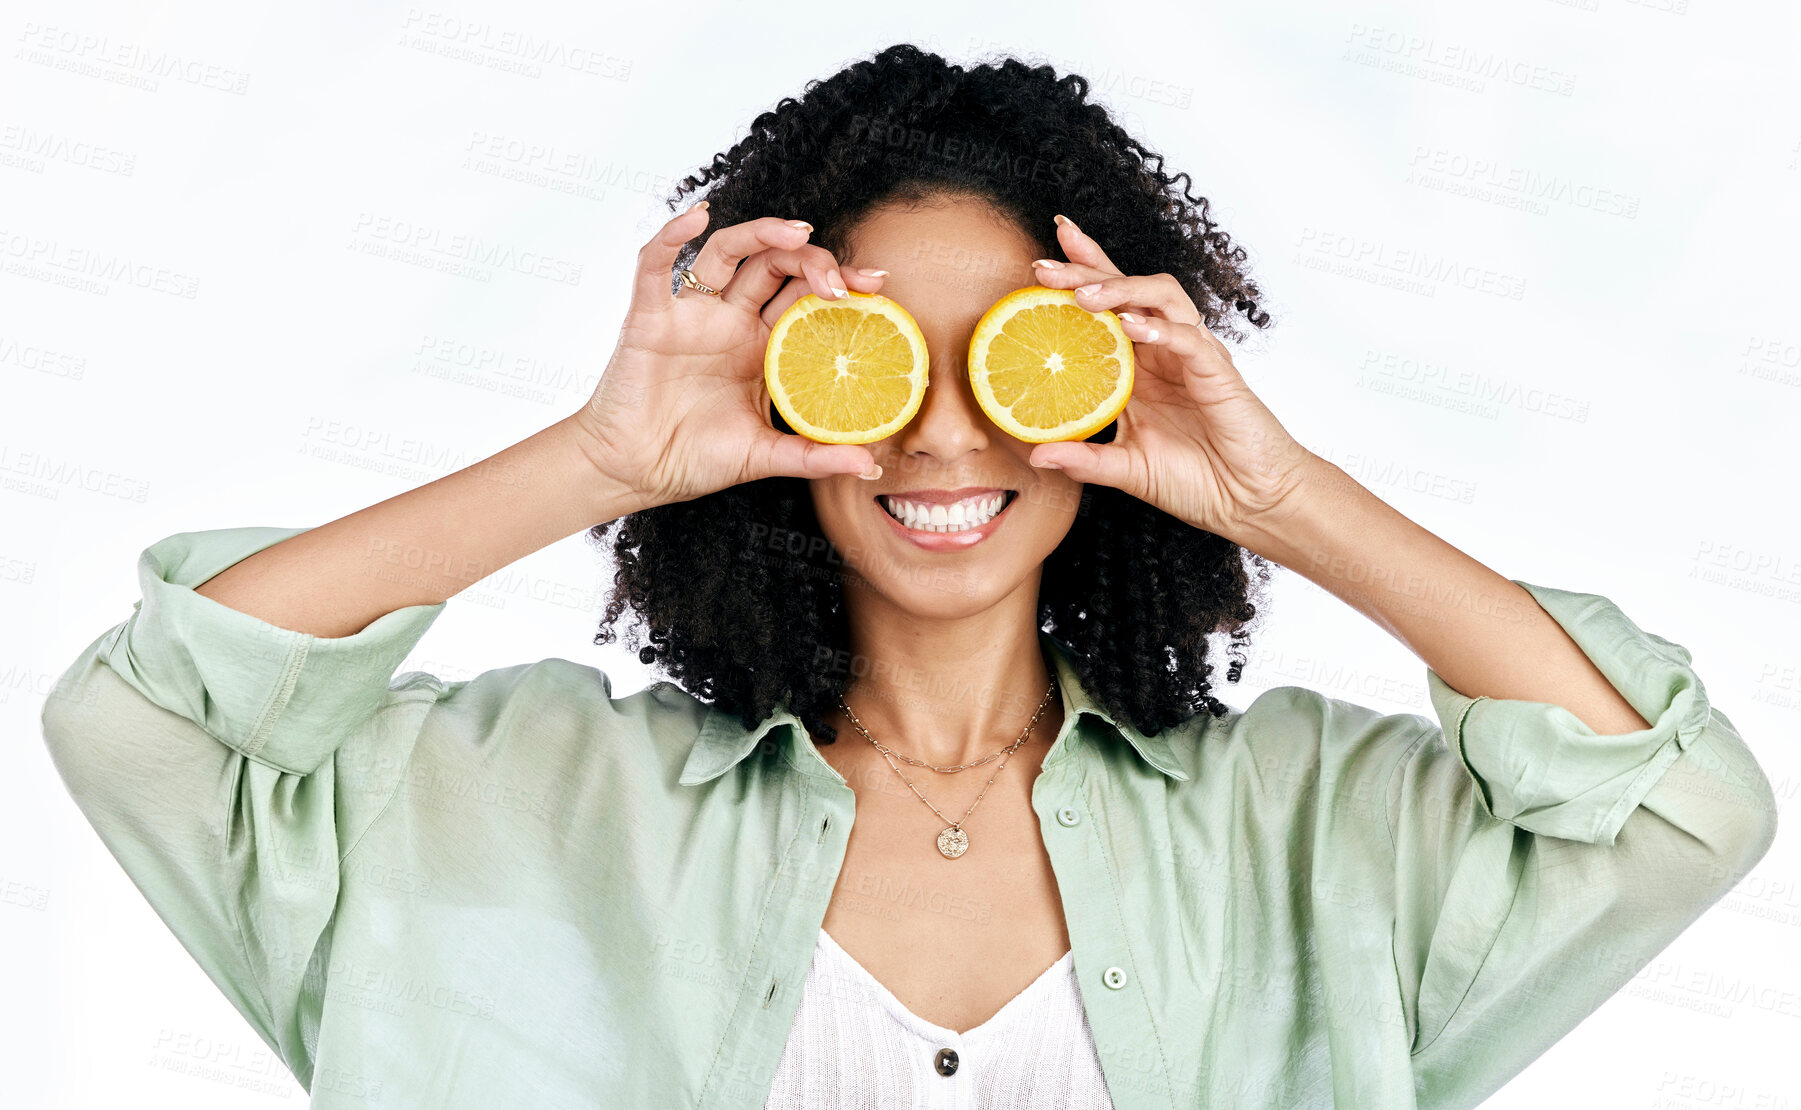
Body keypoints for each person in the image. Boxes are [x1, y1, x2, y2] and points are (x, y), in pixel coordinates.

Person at [42, 43, 1777, 1110]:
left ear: (1104, 378)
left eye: (1009, 360)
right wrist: (599, 458)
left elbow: (1678, 803)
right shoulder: (515, 802)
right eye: (875, 364)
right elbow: (144, 719)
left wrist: (1283, 490)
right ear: (780, 391)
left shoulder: (1305, 827)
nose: (944, 438)